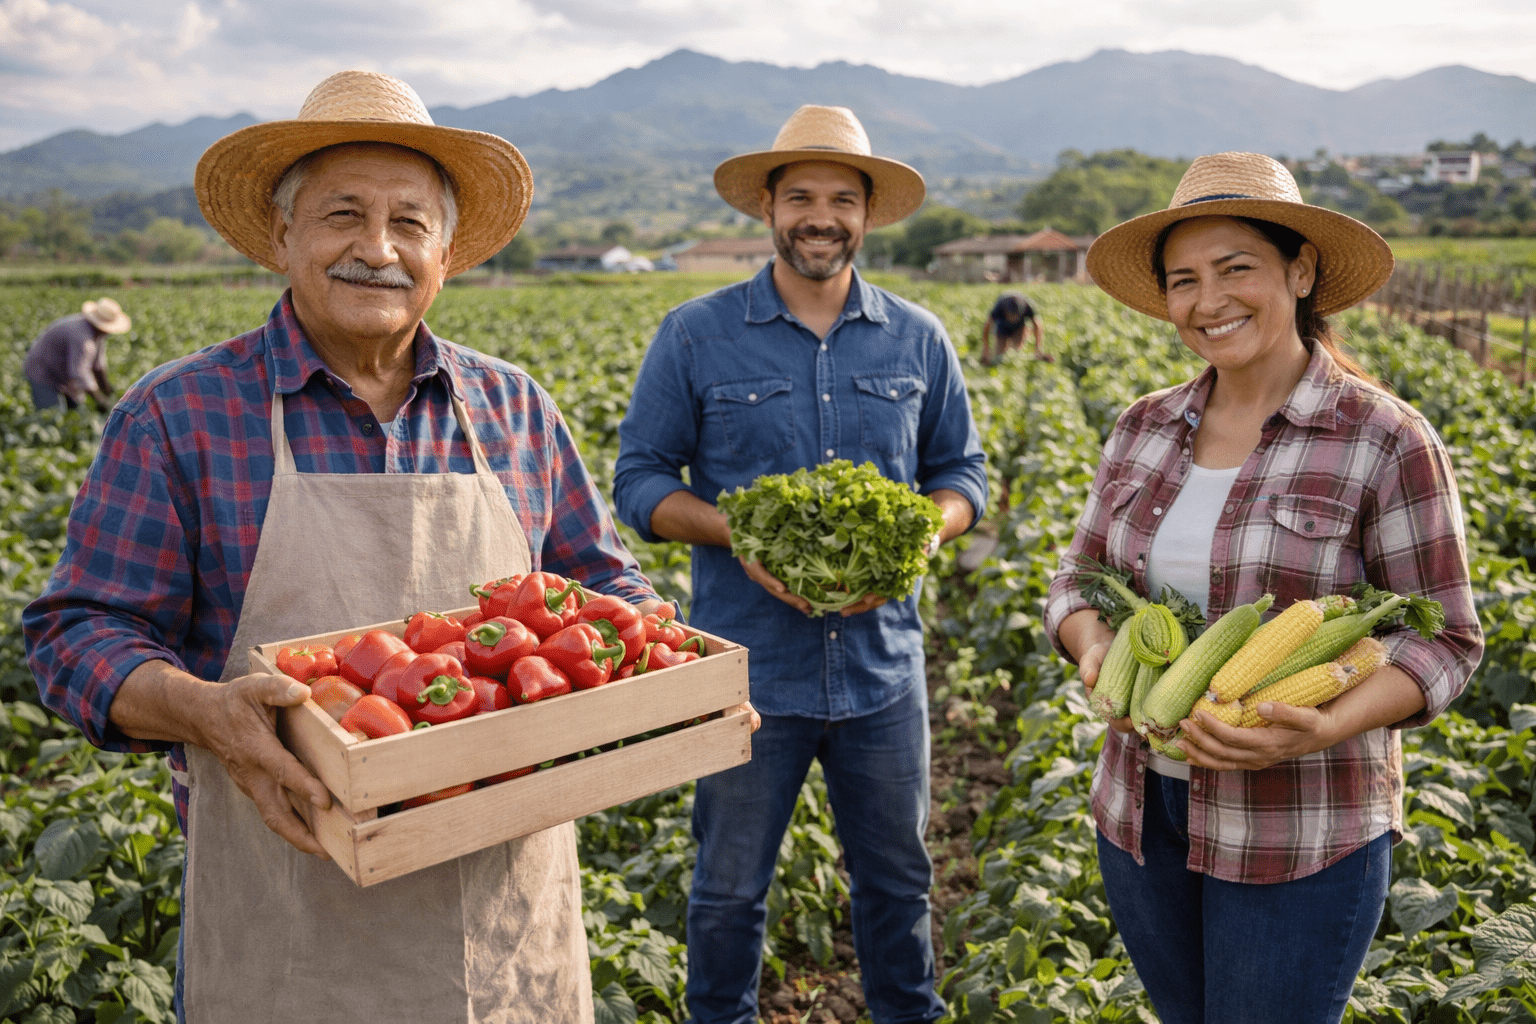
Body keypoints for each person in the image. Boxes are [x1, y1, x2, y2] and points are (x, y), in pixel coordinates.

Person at [24, 70, 665, 1024]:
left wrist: (670, 666)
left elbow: (606, 585)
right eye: (343, 215)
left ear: (446, 253)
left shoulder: (514, 408)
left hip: (502, 913)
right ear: (282, 237)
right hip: (287, 906)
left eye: (411, 223)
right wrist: (204, 712)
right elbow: (75, 637)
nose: (379, 248)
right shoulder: (182, 413)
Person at [1044, 152, 1484, 1024]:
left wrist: (1323, 722)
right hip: (1140, 813)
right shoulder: (1144, 426)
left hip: (1299, 827)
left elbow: (1445, 640)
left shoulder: (1384, 437)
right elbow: (1076, 581)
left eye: (1236, 268)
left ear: (1302, 268)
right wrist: (1097, 648)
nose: (1209, 302)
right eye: (1184, 281)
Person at [613, 104, 988, 1024]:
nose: (822, 216)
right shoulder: (695, 334)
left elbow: (964, 476)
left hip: (883, 670)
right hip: (747, 669)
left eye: (843, 200)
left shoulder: (918, 337)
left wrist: (917, 537)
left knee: (899, 882)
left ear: (867, 216)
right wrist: (740, 535)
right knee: (729, 889)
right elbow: (639, 484)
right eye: (802, 197)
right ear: (770, 210)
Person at [23, 296, 129, 410]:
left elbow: (98, 366)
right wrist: (100, 400)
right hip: (42, 372)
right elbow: (80, 373)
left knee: (75, 406)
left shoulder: (97, 333)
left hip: (62, 372)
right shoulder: (81, 338)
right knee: (53, 414)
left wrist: (107, 390)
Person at [979, 291, 1046, 364]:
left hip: (1019, 326)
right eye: (1010, 316)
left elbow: (1037, 325)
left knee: (1016, 350)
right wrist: (986, 348)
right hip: (1002, 325)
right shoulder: (999, 306)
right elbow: (987, 325)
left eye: (1015, 316)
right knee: (999, 354)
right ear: (1006, 313)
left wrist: (1038, 348)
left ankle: (1014, 365)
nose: (1012, 319)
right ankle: (999, 364)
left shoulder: (1027, 306)